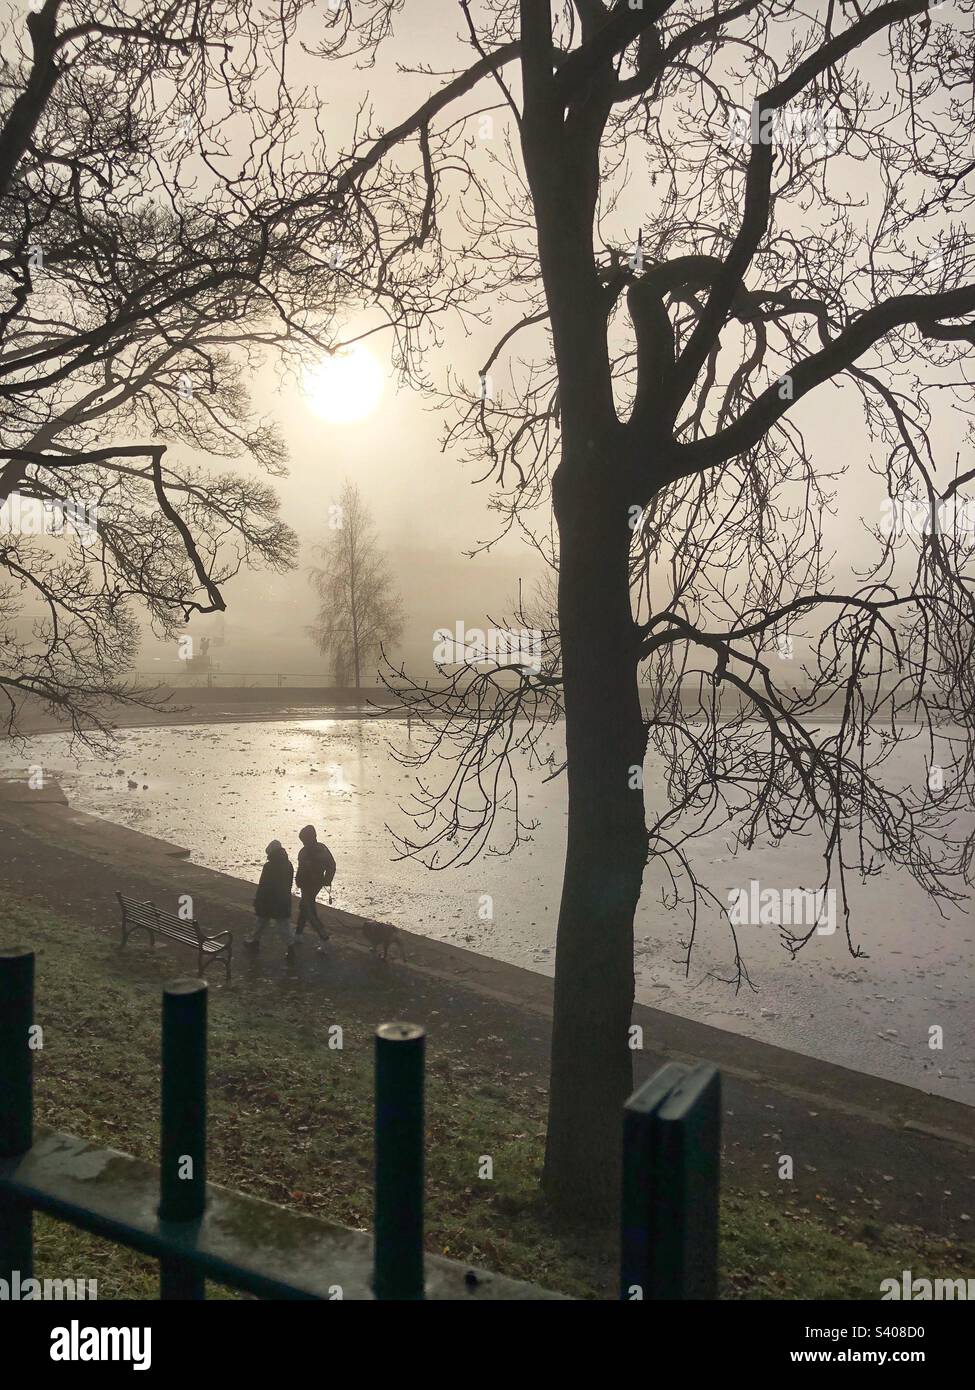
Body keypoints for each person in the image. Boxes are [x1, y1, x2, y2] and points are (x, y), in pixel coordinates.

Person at [246, 840, 295, 957]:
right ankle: (291, 947)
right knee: (284, 927)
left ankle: (254, 941)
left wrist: (258, 899)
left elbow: (263, 885)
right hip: (283, 901)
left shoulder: (269, 866)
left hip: (268, 901)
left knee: (261, 922)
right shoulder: (289, 865)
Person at [295, 824, 335, 942]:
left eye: (304, 840)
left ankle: (324, 937)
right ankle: (298, 934)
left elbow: (331, 865)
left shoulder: (306, 852)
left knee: (308, 910)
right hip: (312, 884)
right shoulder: (322, 849)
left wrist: (327, 879)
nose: (303, 843)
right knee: (304, 907)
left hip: (310, 885)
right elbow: (331, 865)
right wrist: (327, 880)